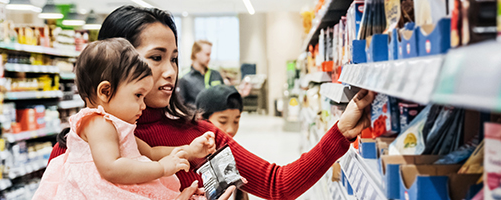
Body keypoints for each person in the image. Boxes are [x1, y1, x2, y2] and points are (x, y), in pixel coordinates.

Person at [49, 5, 376, 200]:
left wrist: (341, 132)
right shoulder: (79, 143)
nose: (170, 72)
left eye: (174, 59)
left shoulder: (200, 137)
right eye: (156, 58)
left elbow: (278, 184)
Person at [34, 38, 216, 200]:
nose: (143, 105)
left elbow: (151, 153)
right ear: (105, 92)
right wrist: (161, 168)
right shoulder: (98, 123)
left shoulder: (116, 126)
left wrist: (189, 150)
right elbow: (111, 168)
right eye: (138, 95)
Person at [177, 40, 224, 105]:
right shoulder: (184, 78)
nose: (209, 58)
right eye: (207, 54)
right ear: (196, 53)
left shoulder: (216, 74)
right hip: (195, 114)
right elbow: (180, 105)